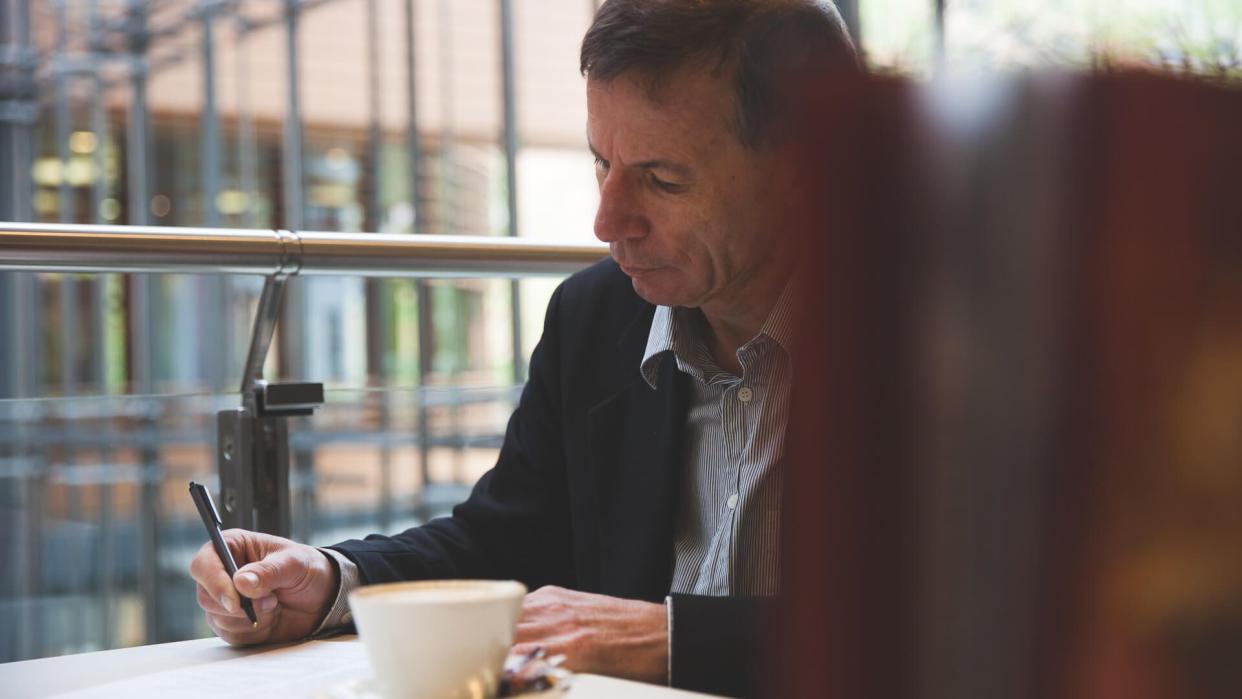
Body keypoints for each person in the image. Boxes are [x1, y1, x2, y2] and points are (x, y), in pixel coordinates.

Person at [190, 1, 856, 695]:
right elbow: (504, 541)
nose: (606, 223)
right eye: (602, 163)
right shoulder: (597, 316)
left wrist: (674, 638)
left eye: (662, 179)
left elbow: (960, 624)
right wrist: (328, 579)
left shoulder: (948, 334)